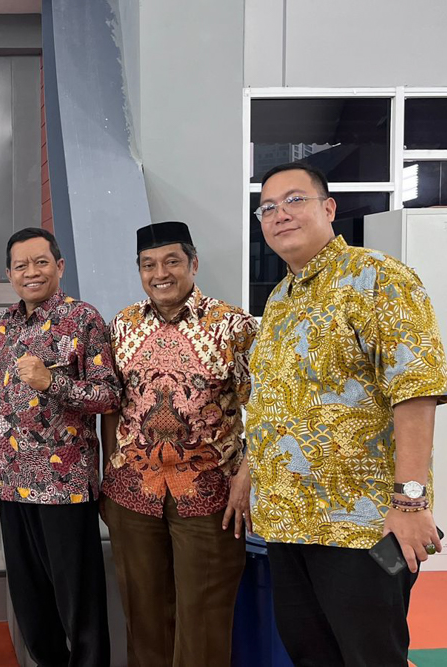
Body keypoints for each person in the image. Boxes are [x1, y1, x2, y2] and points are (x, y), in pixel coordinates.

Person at [247, 161, 447, 666]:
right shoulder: (280, 299)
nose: (280, 214)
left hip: (361, 526)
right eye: (268, 208)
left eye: (295, 200)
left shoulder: (379, 278)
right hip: (288, 522)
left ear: (329, 208)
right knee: (311, 654)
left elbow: (416, 391)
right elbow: (273, 400)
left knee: (370, 657)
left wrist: (410, 503)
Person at [101, 221, 258, 667]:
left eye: (171, 261)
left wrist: (245, 478)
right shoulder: (123, 325)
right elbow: (112, 403)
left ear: (193, 264)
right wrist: (110, 470)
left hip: (210, 493)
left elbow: (267, 407)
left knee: (204, 617)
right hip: (132, 492)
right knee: (143, 615)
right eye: (148, 265)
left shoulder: (233, 325)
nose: (160, 274)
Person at [0, 227, 119, 666]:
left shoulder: (83, 319)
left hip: (64, 487)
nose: (31, 272)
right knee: (31, 609)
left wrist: (52, 383)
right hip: (11, 484)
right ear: (9, 274)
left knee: (79, 606)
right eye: (20, 266)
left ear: (59, 266)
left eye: (41, 262)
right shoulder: (3, 326)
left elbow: (108, 396)